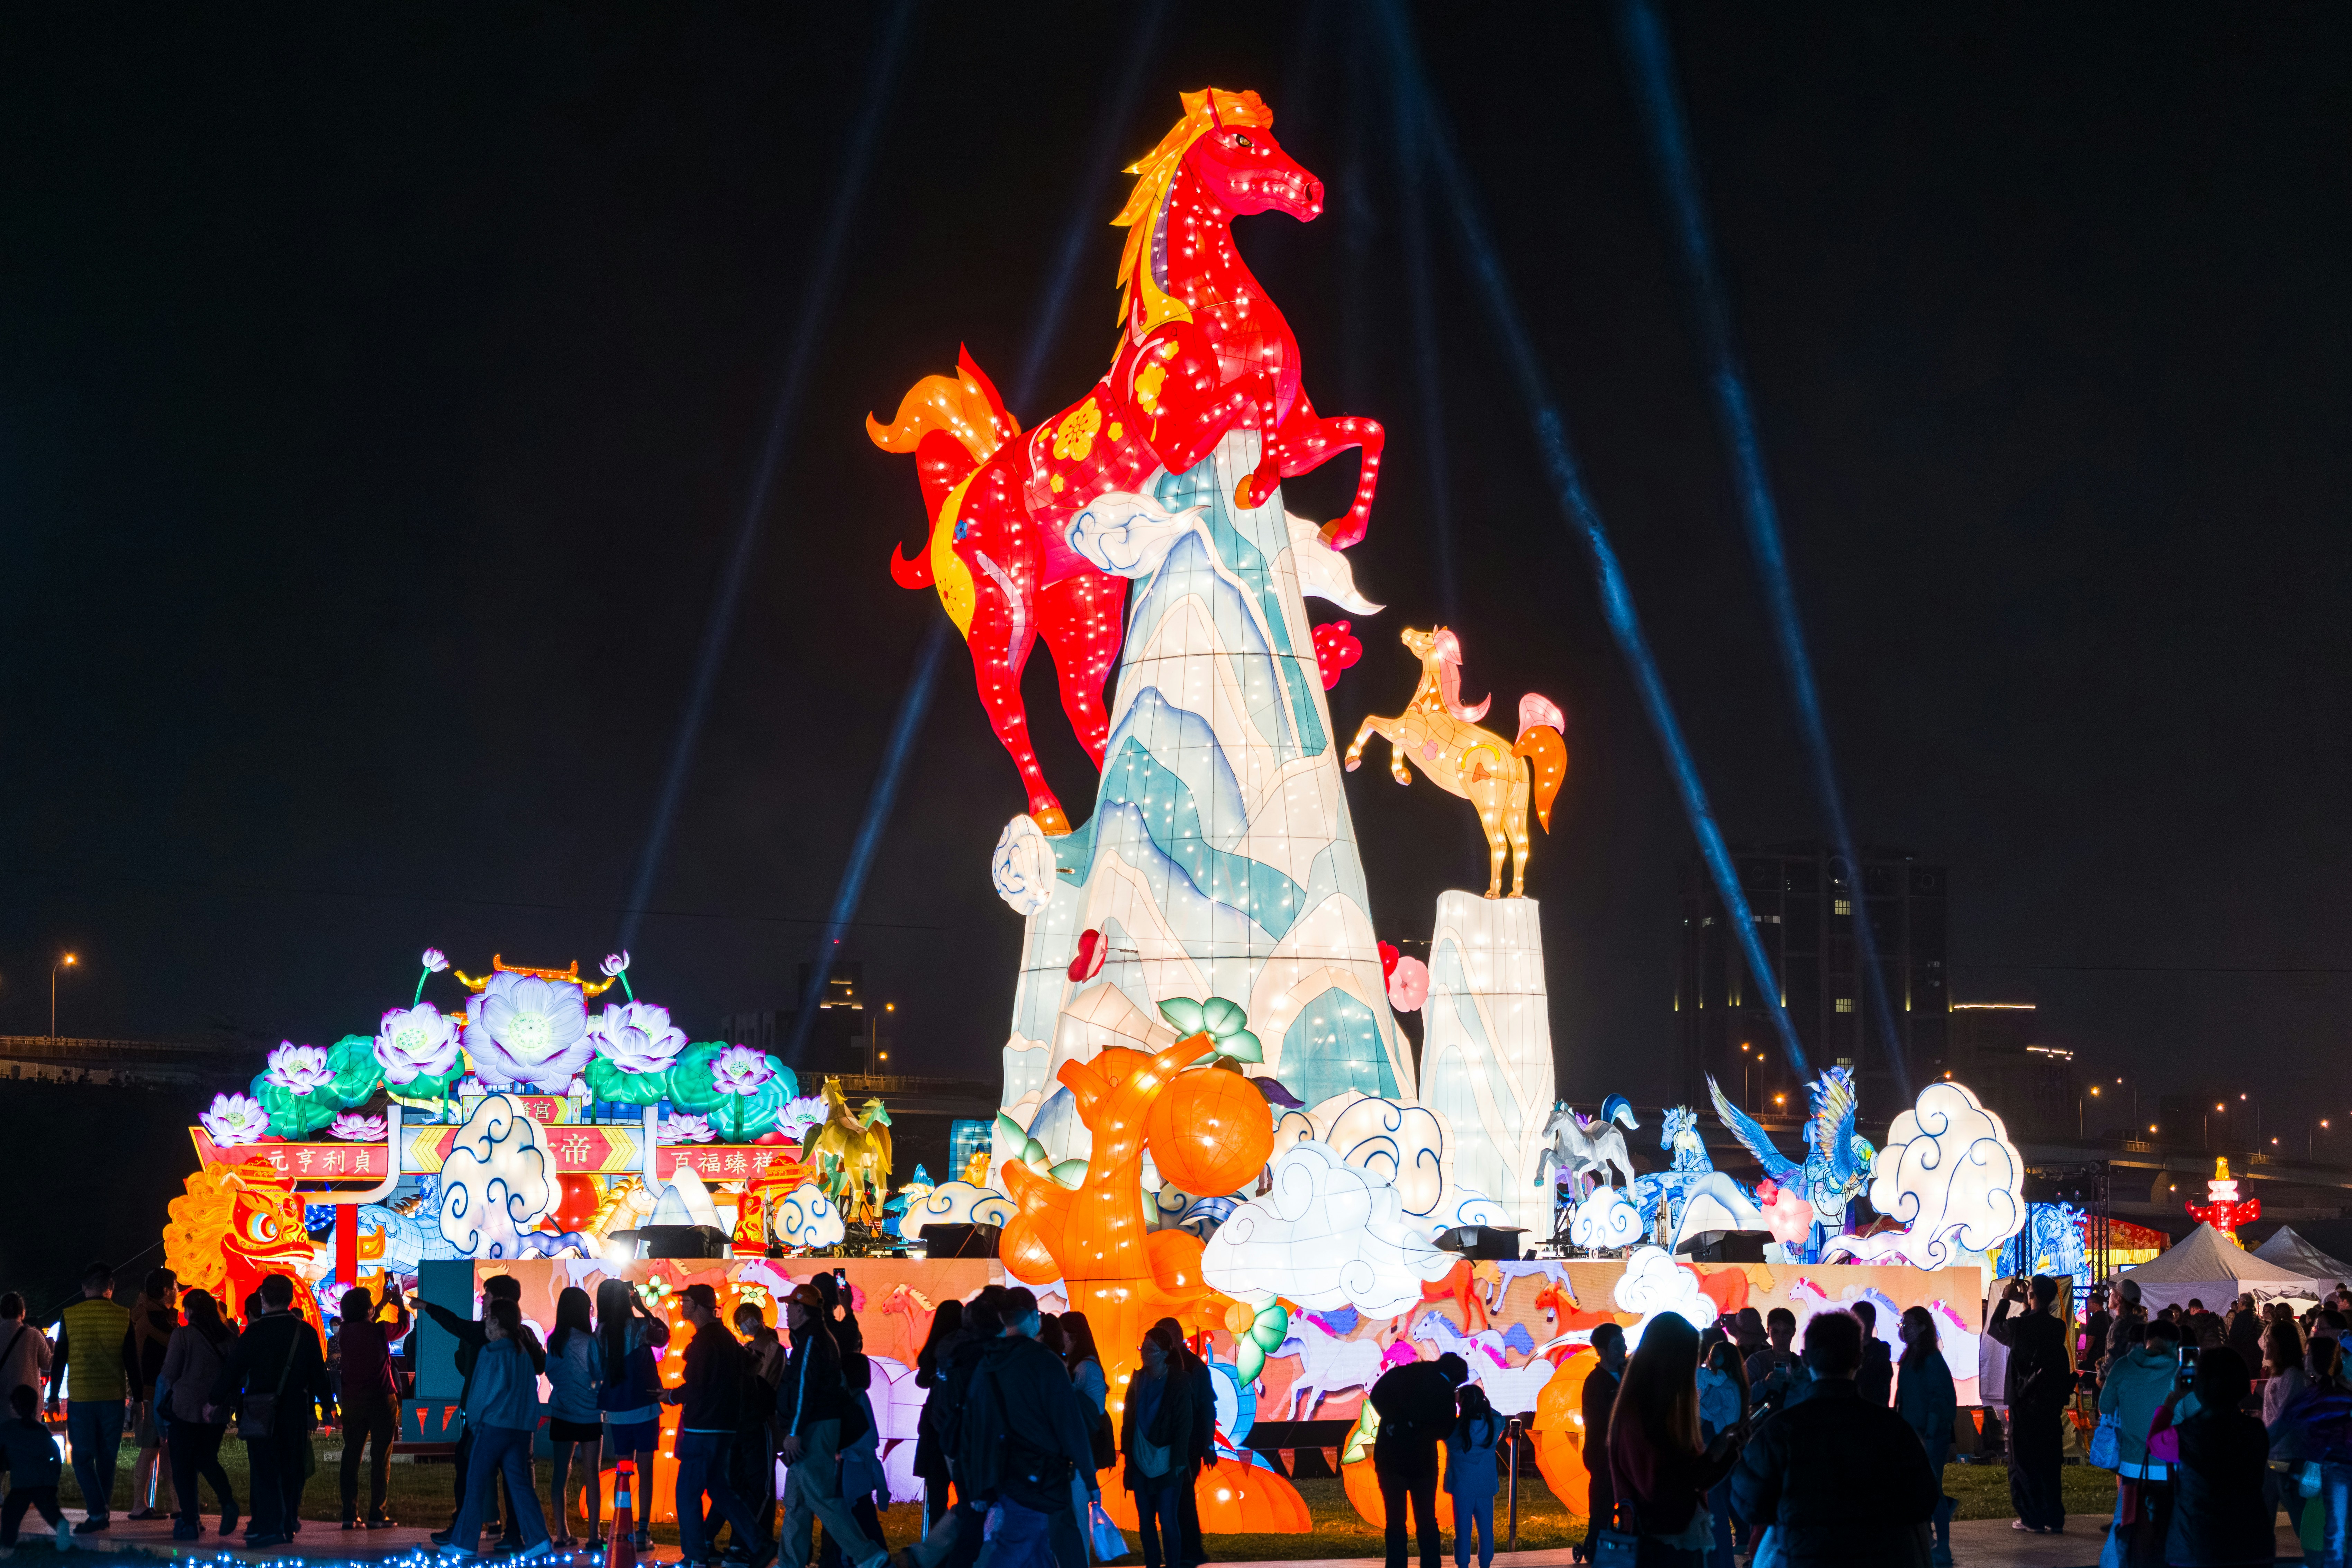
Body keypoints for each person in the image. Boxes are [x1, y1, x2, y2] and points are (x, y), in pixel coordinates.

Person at [1731, 1308, 1939, 1566]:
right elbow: (1923, 1500)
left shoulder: (1780, 1431)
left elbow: (1749, 1502)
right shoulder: (1893, 1429)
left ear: (1805, 1360)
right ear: (1859, 1358)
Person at [953, 1286, 1097, 1568]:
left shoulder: (988, 1362)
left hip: (1002, 1472)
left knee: (1037, 1548)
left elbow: (975, 1425)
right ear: (1033, 1317)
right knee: (1018, 1546)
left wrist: (979, 1481)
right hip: (1042, 1473)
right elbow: (1069, 1423)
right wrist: (1089, 1475)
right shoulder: (1046, 1362)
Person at [205, 1270, 333, 1548]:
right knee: (291, 1467)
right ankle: (288, 1524)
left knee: (264, 1469)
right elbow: (318, 1374)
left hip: (260, 1410)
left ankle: (266, 1524)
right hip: (295, 1410)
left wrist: (214, 1400)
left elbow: (232, 1370)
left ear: (263, 1298)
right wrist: (327, 1407)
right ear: (290, 1299)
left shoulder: (254, 1332)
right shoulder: (305, 1331)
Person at [1609, 1314, 1741, 1566]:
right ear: (1669, 1362)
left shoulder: (1649, 1410)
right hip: (1660, 1543)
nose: (1691, 1373)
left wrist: (1727, 1452)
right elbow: (1668, 1487)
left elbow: (1686, 1482)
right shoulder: (1642, 1415)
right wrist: (1716, 1453)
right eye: (1688, 1362)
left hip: (1666, 1538)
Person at [426, 1274, 544, 1550]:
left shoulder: (491, 1352)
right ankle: (538, 1541)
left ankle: (464, 1541)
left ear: (495, 1320)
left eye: (487, 1294)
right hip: (520, 1428)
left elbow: (478, 1395)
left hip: (490, 1427)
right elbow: (531, 1388)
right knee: (520, 1485)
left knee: (474, 1479)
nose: (483, 1299)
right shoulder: (524, 1347)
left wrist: (477, 1423)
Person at [667, 1283, 773, 1568]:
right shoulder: (726, 1338)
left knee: (688, 1493)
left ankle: (695, 1557)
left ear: (698, 1306)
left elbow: (697, 1386)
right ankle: (759, 1543)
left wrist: (671, 1395)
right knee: (720, 1489)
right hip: (725, 1427)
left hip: (703, 1427)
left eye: (686, 1300)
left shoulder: (703, 1342)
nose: (682, 1305)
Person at [2164, 1347, 2273, 1567]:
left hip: (2198, 1545)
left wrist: (2174, 1398)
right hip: (2252, 1542)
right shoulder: (2255, 1431)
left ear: (2200, 1384)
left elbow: (2154, 1443)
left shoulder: (2187, 1434)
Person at [46, 1260, 132, 1534]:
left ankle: (97, 1512)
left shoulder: (70, 1315)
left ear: (84, 1287)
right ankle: (101, 1511)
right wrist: (139, 1397)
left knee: (82, 1458)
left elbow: (59, 1359)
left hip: (82, 1397)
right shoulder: (124, 1315)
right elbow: (132, 1360)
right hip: (114, 1397)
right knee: (107, 1458)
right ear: (112, 1287)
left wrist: (52, 1396)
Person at [1985, 1274, 2070, 1534]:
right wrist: (2028, 1303)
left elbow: (1995, 1327)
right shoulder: (2058, 1328)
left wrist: (2005, 1298)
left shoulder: (2019, 1328)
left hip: (2023, 1402)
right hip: (2049, 1403)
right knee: (2048, 1460)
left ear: (2030, 1295)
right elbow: (2037, 1323)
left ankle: (2031, 1517)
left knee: (2022, 1463)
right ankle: (2053, 1516)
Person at [2095, 1316, 2182, 1567]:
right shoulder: (2178, 1370)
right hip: (2170, 1464)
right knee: (2168, 1526)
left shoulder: (2123, 1366)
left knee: (2127, 1523)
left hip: (2132, 1464)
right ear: (2173, 1343)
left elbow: (2105, 1405)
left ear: (2147, 1340)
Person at [1369, 1349, 1468, 1568]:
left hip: (1389, 1457)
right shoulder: (1443, 1389)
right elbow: (1446, 1429)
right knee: (1426, 1518)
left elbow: (1376, 1395)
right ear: (1454, 1379)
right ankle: (1431, 1564)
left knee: (1394, 1519)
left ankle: (1396, 1564)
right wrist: (1423, 1429)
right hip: (1422, 1462)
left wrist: (1397, 1419)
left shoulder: (1402, 1374)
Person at [596, 1276, 670, 1552]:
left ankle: (621, 1526)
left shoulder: (600, 1332)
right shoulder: (640, 1326)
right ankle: (642, 1531)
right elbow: (663, 1335)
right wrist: (643, 1307)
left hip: (617, 1411)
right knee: (647, 1471)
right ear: (627, 1299)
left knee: (622, 1471)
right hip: (645, 1405)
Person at [157, 1288, 238, 1541]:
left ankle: (190, 1520)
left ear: (190, 1311)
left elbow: (170, 1372)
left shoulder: (182, 1335)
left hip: (185, 1409)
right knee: (206, 1458)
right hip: (217, 1411)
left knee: (183, 1465)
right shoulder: (229, 1337)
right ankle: (227, 1501)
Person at [2271, 1335, 2352, 1565]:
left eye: (2308, 1353)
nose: (2304, 1357)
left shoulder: (2313, 1398)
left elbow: (2275, 1432)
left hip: (2319, 1506)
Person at [1120, 1324, 1195, 1568]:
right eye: (1144, 1348)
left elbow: (1184, 1424)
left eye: (1151, 1349)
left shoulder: (1178, 1381)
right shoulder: (1138, 1380)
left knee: (1168, 1519)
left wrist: (1179, 1461)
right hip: (1141, 1460)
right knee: (1145, 1521)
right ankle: (1153, 1563)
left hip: (1168, 1462)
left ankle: (1173, 1563)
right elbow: (1128, 1422)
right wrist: (1127, 1456)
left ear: (1164, 1353)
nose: (1145, 1353)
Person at [335, 1282, 408, 1530]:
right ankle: (377, 1514)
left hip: (353, 1400)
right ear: (369, 1311)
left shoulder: (344, 1331)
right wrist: (397, 1302)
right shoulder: (379, 1331)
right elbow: (403, 1326)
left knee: (351, 1455)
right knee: (381, 1457)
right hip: (381, 1398)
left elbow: (364, 1319)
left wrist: (380, 1304)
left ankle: (349, 1513)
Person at [823, 1310, 890, 1568]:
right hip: (857, 1463)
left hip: (850, 1463)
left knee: (854, 1512)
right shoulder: (861, 1397)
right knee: (860, 1511)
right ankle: (863, 1555)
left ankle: (863, 1556)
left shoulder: (852, 1399)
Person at [1149, 1317, 1217, 1568]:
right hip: (1167, 1443)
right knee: (1176, 1497)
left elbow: (1206, 1407)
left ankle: (1189, 1550)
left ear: (1176, 1338)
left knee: (1182, 1496)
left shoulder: (1193, 1367)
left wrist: (1207, 1445)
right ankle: (1185, 1550)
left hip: (1188, 1443)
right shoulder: (1162, 1367)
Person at [1896, 1306, 1958, 1566]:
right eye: (1903, 1323)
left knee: (1932, 1491)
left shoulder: (1931, 1360)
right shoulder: (1911, 1357)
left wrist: (1929, 1434)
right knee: (1922, 1490)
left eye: (1909, 1324)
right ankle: (1930, 1541)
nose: (1903, 1327)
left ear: (1922, 1327)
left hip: (1928, 1437)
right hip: (1913, 1435)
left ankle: (1941, 1546)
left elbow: (1940, 1399)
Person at [546, 1287, 607, 1549]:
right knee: (591, 1473)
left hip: (562, 1412)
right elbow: (599, 1372)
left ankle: (562, 1533)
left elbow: (550, 1374)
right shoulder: (591, 1341)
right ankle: (594, 1535)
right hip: (590, 1413)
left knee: (561, 1473)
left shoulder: (554, 1341)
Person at [124, 1268, 179, 1522]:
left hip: (163, 1394)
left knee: (165, 1450)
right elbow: (135, 1357)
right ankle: (139, 1504)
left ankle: (176, 1504)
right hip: (151, 1394)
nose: (178, 1290)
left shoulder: (160, 1317)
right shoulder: (148, 1317)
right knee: (150, 1448)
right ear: (166, 1290)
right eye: (176, 1285)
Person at [911, 1298, 965, 1533]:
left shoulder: (935, 1348)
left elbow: (921, 1380)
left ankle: (936, 1543)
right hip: (959, 1424)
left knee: (937, 1490)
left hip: (934, 1424)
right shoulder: (964, 1349)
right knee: (967, 1491)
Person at [1577, 1323, 1627, 1565]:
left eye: (1624, 1343)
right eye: (1617, 1345)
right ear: (1603, 1350)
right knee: (1603, 1504)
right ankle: (1597, 1549)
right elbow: (1597, 1422)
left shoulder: (1630, 1373)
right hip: (1603, 1454)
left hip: (1629, 1451)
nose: (1624, 1349)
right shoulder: (1595, 1382)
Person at [1695, 1335, 1747, 1562]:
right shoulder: (1735, 1385)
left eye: (1712, 1356)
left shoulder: (1723, 1386)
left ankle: (1721, 1561)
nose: (1709, 1361)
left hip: (1713, 1450)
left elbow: (1708, 1414)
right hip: (1723, 1451)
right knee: (1718, 1510)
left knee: (1714, 1512)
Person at [0, 1383, 70, 1548]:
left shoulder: (7, 1430)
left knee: (11, 1515)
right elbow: (55, 1453)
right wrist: (53, 1478)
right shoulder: (41, 1430)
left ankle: (6, 1549)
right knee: (49, 1510)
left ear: (14, 1406)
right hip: (45, 1482)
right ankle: (61, 1525)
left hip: (22, 1483)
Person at [1444, 1384, 1505, 1568]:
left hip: (1462, 1487)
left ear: (1461, 1404)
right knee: (1487, 1530)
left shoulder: (1455, 1429)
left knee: (1463, 1530)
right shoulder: (1493, 1426)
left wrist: (1452, 1400)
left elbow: (1442, 1426)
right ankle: (1485, 1563)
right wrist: (1482, 1403)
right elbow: (1499, 1417)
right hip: (1485, 1486)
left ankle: (1463, 1564)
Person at [1062, 1311, 1112, 1477]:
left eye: (1062, 1334)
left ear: (1074, 1337)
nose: (1060, 1340)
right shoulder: (1084, 1363)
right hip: (1087, 1438)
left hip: (1085, 1440)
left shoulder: (1084, 1367)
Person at [1743, 1307, 1810, 1419]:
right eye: (1776, 1331)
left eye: (1786, 1332)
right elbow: (1742, 1398)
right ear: (1768, 1331)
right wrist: (1765, 1384)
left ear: (1793, 1332)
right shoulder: (1757, 1361)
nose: (1781, 1337)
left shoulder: (1802, 1364)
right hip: (1763, 1426)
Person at [1849, 1301, 1894, 1410]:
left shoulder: (1879, 1353)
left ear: (1870, 1323)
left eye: (1855, 1320)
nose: (1852, 1324)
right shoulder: (1880, 1351)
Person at [2226, 1296, 2265, 1375]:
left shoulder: (2240, 1317)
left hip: (2242, 1359)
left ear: (2244, 1304)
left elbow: (2233, 1337)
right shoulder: (2259, 1320)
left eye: (2239, 1302)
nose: (2238, 1305)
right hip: (2256, 1359)